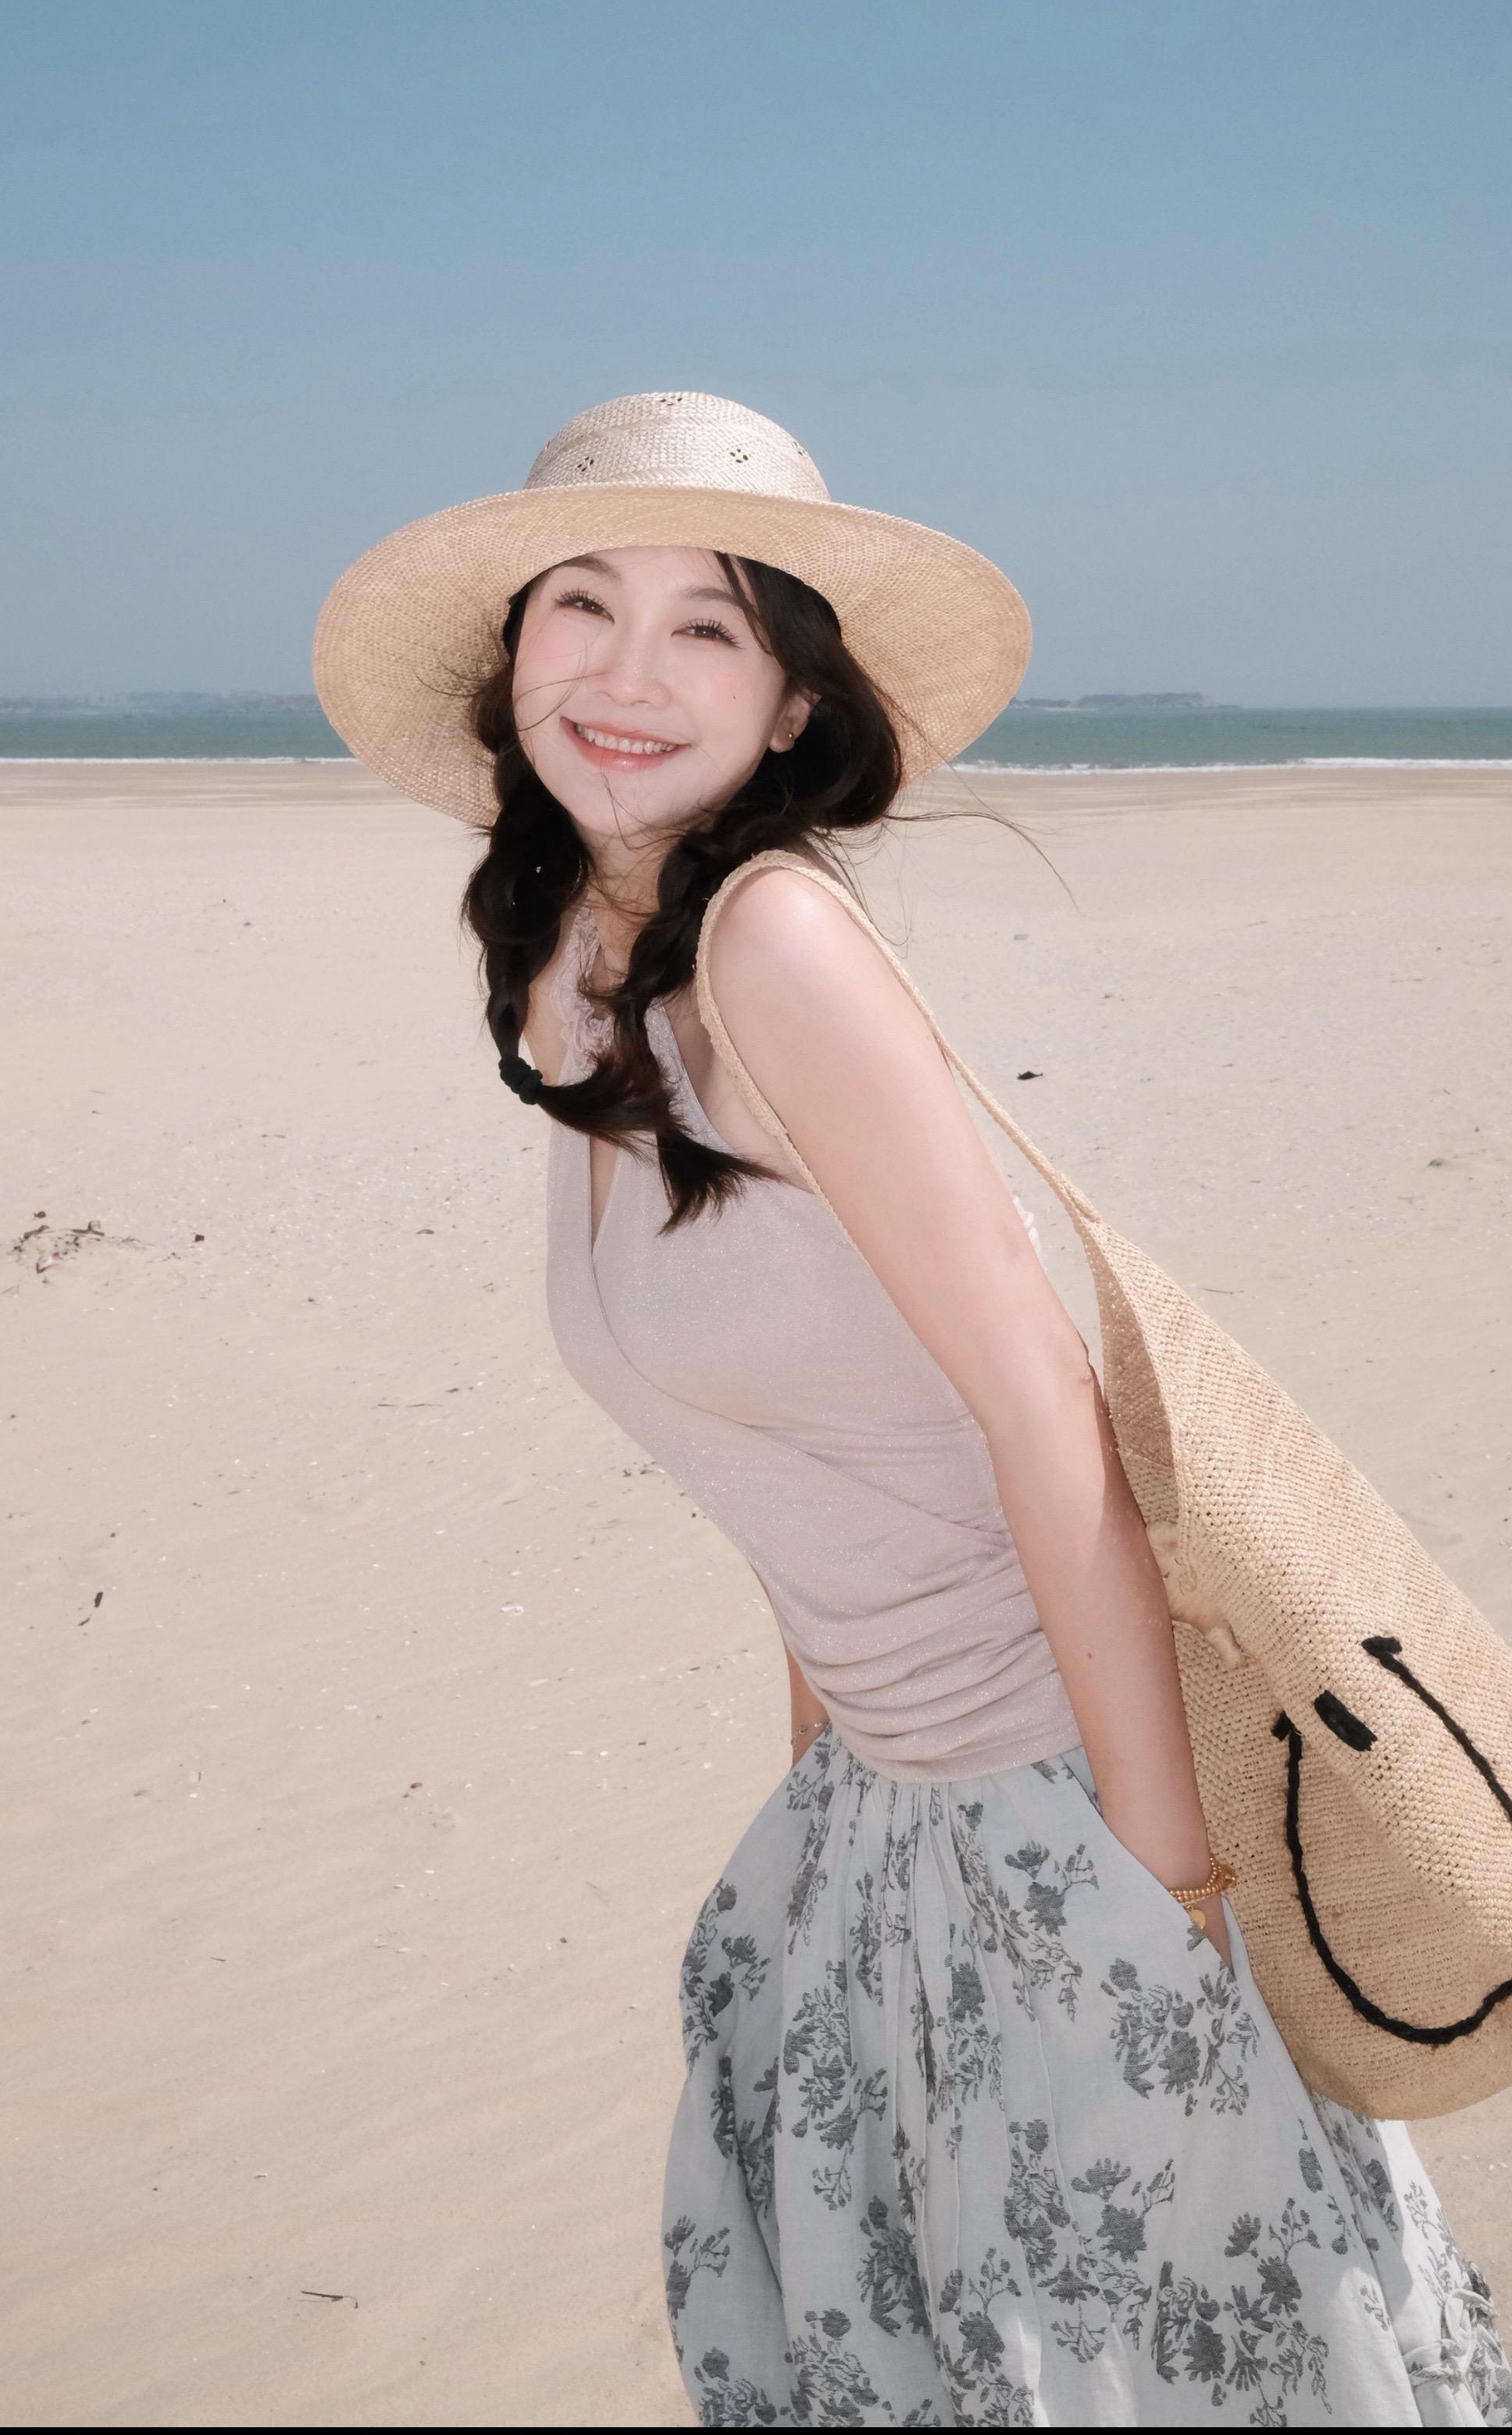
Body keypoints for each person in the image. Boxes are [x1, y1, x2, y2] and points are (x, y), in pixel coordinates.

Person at [315, 390, 1510, 2428]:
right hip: (892, 1813)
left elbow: (1039, 1404)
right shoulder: (583, 969)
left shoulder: (776, 940)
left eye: (709, 626)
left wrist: (1159, 1890)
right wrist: (825, 1798)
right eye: (581, 605)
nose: (626, 672)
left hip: (1066, 1780)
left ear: (792, 702)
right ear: (510, 656)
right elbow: (800, 1439)